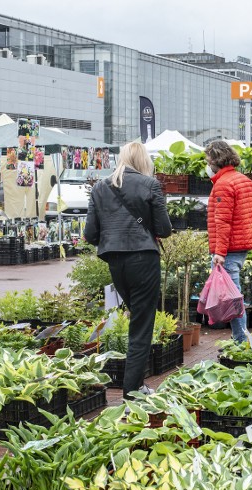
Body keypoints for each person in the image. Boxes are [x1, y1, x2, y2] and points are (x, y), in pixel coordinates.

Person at [84, 142, 171, 397]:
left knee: (137, 319)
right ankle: (132, 390)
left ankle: (134, 386)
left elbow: (90, 233)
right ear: (143, 160)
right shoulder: (150, 184)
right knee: (142, 325)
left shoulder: (100, 187)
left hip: (115, 262)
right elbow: (164, 229)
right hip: (144, 259)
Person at [205, 140, 252, 343]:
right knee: (233, 295)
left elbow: (223, 221)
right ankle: (240, 339)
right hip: (241, 246)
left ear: (216, 160)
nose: (207, 164)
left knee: (232, 298)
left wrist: (219, 252)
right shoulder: (243, 179)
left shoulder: (223, 184)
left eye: (209, 160)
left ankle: (241, 341)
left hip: (228, 250)